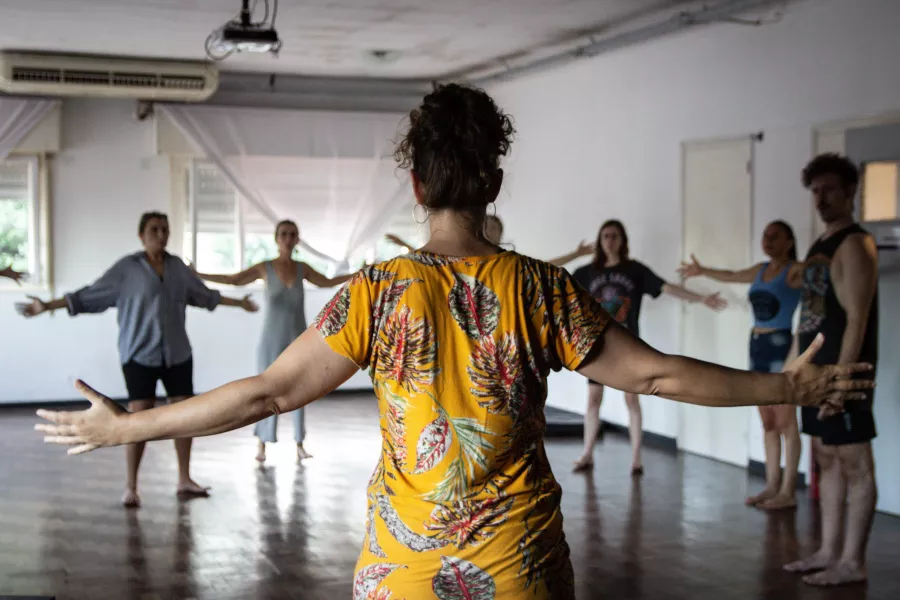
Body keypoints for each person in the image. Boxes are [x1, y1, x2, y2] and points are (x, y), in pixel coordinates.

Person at [34, 85, 871, 599]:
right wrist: (788, 388)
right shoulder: (540, 288)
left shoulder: (378, 292)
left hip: (402, 570)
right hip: (520, 567)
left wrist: (126, 426)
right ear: (493, 183)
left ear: (415, 183)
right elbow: (656, 377)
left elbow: (265, 394)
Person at [20, 211, 258, 508]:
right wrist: (47, 305)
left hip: (177, 354)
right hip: (139, 355)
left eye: (165, 229)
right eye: (154, 229)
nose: (161, 235)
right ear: (141, 235)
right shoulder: (127, 269)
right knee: (136, 418)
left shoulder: (178, 269)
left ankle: (184, 478)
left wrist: (240, 303)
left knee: (186, 416)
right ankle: (131, 485)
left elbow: (205, 295)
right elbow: (89, 296)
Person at [781, 154, 879, 587]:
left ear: (850, 191)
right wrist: (789, 373)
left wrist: (841, 383)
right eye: (815, 191)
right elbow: (809, 315)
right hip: (815, 374)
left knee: (855, 463)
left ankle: (852, 561)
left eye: (829, 190)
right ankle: (827, 551)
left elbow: (857, 318)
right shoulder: (820, 244)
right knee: (825, 458)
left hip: (844, 376)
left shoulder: (855, 244)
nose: (821, 199)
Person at [571, 219, 727, 475]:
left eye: (614, 235)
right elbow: (560, 291)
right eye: (605, 236)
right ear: (600, 240)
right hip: (596, 345)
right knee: (593, 399)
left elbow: (667, 287)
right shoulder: (586, 273)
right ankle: (587, 453)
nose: (610, 240)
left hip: (627, 346)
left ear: (622, 240)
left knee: (631, 398)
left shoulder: (635, 270)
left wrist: (701, 298)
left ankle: (636, 457)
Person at [193, 219, 353, 463]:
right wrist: (197, 274)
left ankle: (299, 443)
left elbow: (328, 282)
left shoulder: (302, 268)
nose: (288, 238)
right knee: (266, 390)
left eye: (292, 234)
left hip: (299, 338)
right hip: (271, 339)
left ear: (297, 240)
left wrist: (361, 273)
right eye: (284, 234)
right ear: (276, 239)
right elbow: (233, 279)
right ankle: (262, 444)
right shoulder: (264, 268)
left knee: (301, 389)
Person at [678, 220, 803, 510]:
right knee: (768, 422)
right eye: (765, 235)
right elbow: (732, 275)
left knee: (786, 422)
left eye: (775, 236)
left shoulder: (794, 270)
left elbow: (819, 274)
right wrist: (703, 270)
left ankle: (788, 491)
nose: (768, 240)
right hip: (757, 347)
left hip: (782, 347)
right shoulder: (760, 269)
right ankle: (772, 485)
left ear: (789, 241)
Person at [386, 215, 595, 267]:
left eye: (494, 228)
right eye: (486, 226)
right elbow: (431, 261)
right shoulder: (463, 256)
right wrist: (403, 244)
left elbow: (546, 266)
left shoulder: (507, 261)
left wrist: (576, 254)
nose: (489, 231)